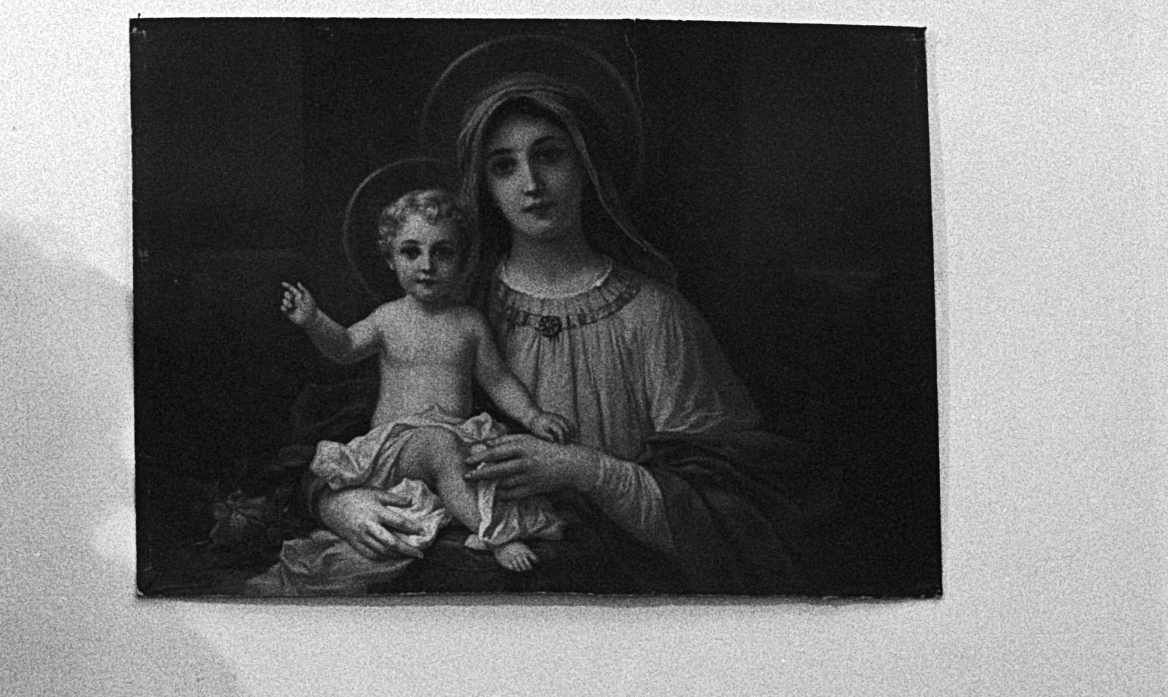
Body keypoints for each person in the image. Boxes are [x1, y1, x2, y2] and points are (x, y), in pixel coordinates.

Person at [315, 62, 813, 593]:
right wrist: (336, 504)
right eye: (504, 166)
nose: (531, 184)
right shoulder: (449, 306)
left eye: (550, 156)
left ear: (587, 164)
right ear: (484, 186)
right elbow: (356, 439)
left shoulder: (655, 316)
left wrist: (583, 469)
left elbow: (729, 515)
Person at [276, 189, 569, 577]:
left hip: (455, 441)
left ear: (462, 260)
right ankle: (495, 535)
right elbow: (344, 347)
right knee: (437, 444)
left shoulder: (469, 323)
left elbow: (498, 380)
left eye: (442, 252)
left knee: (487, 463)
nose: (427, 265)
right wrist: (314, 321)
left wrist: (533, 417)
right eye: (411, 252)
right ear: (391, 259)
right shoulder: (388, 319)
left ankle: (471, 513)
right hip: (395, 451)